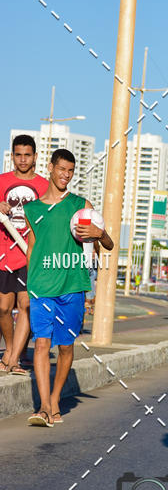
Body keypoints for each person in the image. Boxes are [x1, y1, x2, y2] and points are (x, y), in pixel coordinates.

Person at [24, 149, 113, 427]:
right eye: (61, 169)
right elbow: (32, 248)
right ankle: (44, 406)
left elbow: (106, 245)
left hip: (73, 285)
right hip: (42, 285)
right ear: (50, 168)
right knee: (41, 343)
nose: (66, 175)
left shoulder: (80, 205)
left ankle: (56, 397)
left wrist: (101, 234)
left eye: (71, 171)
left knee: (65, 347)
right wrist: (31, 282)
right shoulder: (33, 209)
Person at [0, 135, 48, 375]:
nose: (22, 159)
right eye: (18, 154)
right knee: (3, 308)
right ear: (12, 156)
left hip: (31, 255)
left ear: (35, 157)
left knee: (26, 306)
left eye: (27, 155)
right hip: (4, 254)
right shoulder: (2, 181)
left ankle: (14, 358)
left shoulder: (44, 186)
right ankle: (9, 349)